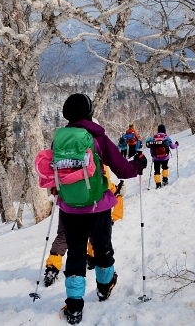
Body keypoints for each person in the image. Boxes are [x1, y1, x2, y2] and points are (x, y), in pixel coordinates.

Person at [44, 94, 147, 324]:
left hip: (69, 209)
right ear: (89, 111)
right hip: (97, 207)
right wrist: (139, 164)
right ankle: (104, 287)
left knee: (76, 253)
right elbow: (123, 170)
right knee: (102, 249)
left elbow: (54, 174)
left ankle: (74, 306)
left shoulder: (58, 140)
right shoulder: (97, 137)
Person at [43, 169, 126, 287]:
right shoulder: (94, 153)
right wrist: (117, 190)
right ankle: (92, 259)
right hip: (92, 206)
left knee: (63, 235)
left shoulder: (63, 153)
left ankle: (52, 266)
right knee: (95, 234)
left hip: (68, 204)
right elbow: (103, 182)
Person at [146, 124, 179, 189]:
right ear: (164, 130)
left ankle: (158, 184)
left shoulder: (154, 138)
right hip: (165, 157)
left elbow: (151, 148)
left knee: (157, 171)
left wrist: (152, 154)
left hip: (156, 158)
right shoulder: (166, 137)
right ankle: (165, 180)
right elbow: (172, 147)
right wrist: (176, 145)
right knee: (165, 168)